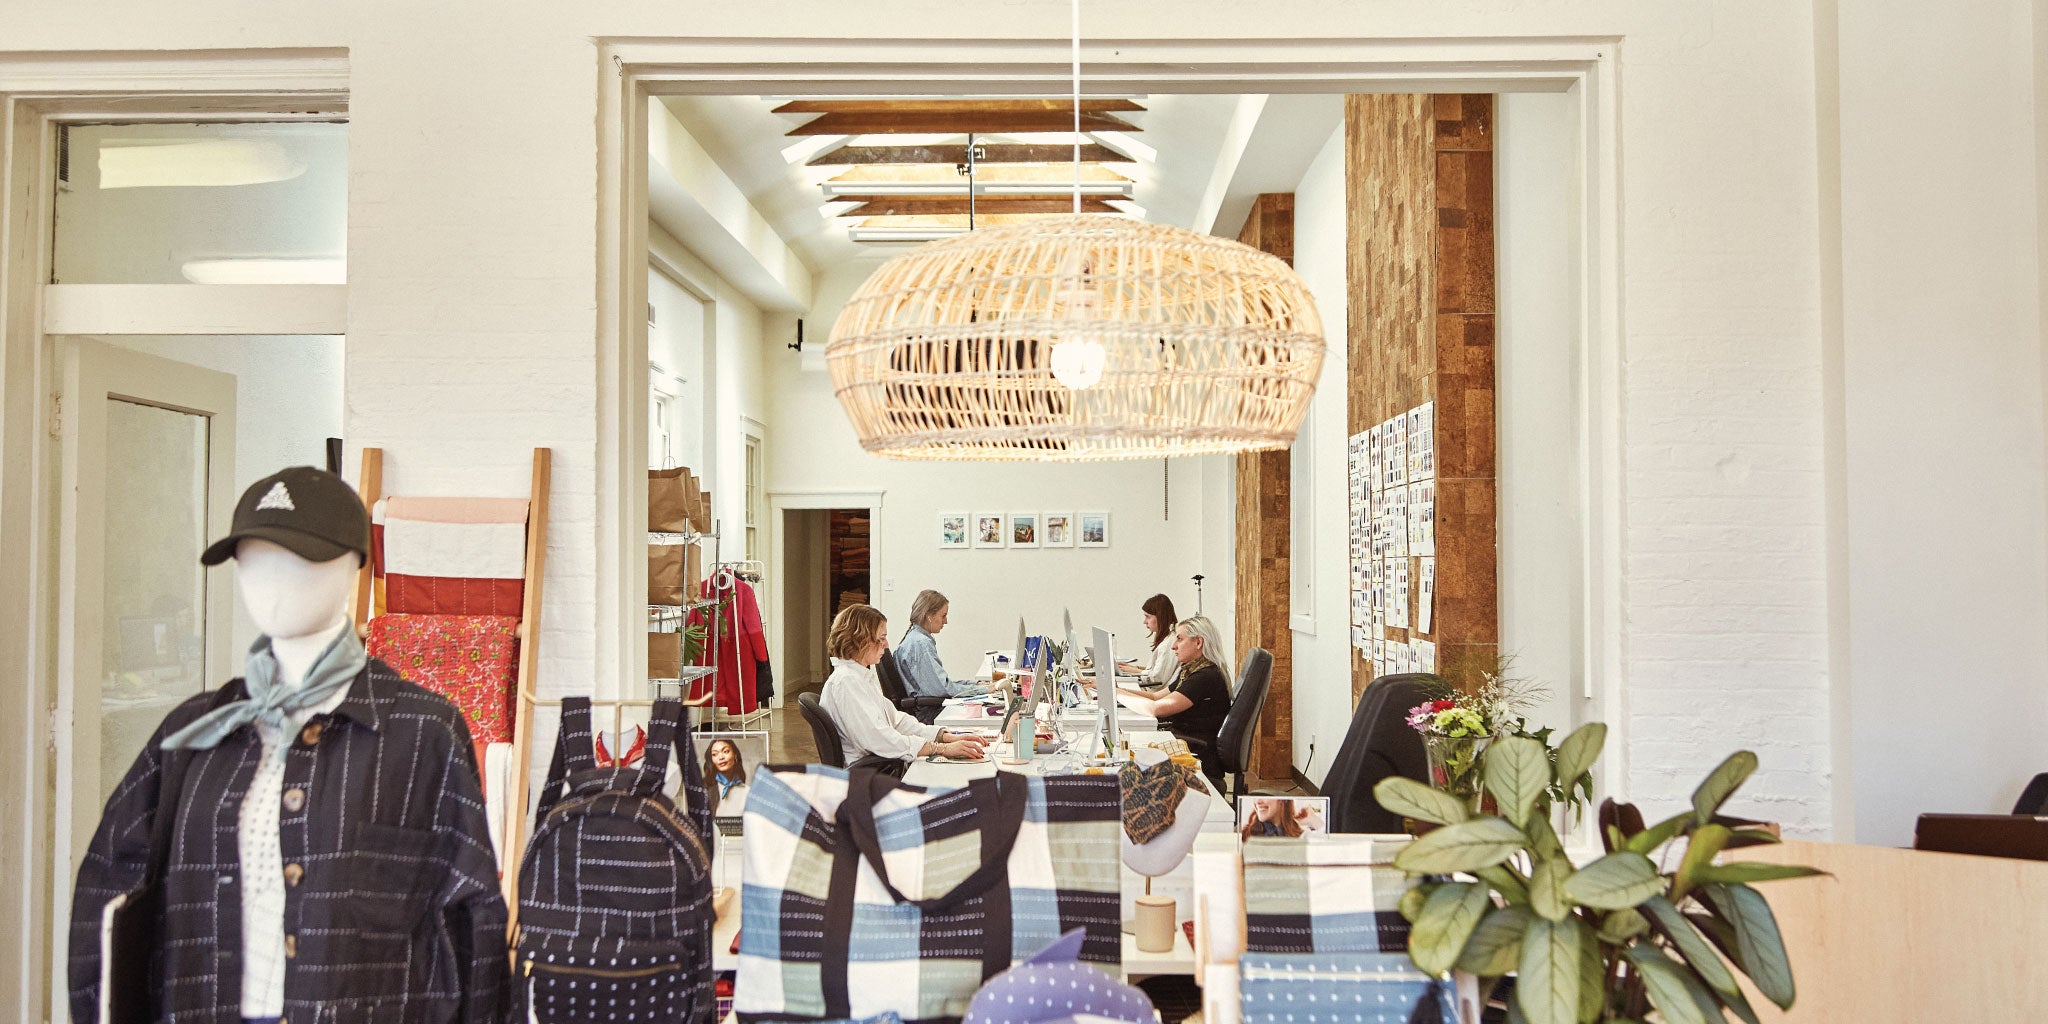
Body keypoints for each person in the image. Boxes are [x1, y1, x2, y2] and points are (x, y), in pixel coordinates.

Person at [820, 604, 988, 777]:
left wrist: (943, 736)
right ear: (860, 640)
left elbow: (897, 721)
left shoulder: (859, 678)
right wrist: (940, 749)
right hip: (870, 774)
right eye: (882, 638)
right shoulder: (846, 682)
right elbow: (879, 739)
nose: (886, 645)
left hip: (878, 767)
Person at [1098, 614, 1233, 779]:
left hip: (1196, 755)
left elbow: (1157, 709)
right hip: (1185, 744)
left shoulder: (1205, 677)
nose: (1173, 646)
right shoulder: (1193, 670)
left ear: (1198, 642)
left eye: (1180, 639)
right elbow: (1155, 698)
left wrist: (1114, 693)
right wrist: (1115, 689)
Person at [896, 589, 998, 699]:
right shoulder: (921, 644)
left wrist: (974, 685)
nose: (946, 621)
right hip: (928, 712)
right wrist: (983, 690)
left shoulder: (915, 638)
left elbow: (941, 684)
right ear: (929, 616)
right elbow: (943, 689)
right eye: (943, 615)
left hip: (925, 706)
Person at [1116, 593, 1179, 689]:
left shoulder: (1169, 644)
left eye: (1148, 617)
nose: (1144, 621)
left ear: (1160, 617)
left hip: (1157, 695)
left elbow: (1157, 679)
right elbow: (1159, 670)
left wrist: (1137, 672)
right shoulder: (1168, 638)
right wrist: (1135, 668)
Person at [702, 737, 750, 817]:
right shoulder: (705, 790)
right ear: (711, 760)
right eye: (715, 754)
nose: (721, 757)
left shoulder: (748, 792)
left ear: (735, 755)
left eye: (726, 751)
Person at [1241, 797, 1306, 839]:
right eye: (1256, 797)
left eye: (1264, 797)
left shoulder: (1300, 836)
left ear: (1282, 800)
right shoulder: (1245, 834)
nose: (1258, 801)